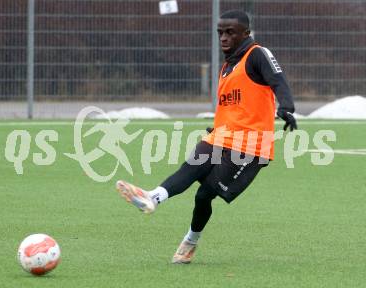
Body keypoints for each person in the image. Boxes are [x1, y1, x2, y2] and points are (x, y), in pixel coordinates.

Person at [116, 10, 297, 264]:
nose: (223, 37)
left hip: (250, 146)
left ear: (245, 33)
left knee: (204, 195)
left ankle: (190, 241)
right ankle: (152, 197)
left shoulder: (257, 54)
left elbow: (278, 80)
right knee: (190, 168)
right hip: (221, 136)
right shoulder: (226, 67)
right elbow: (233, 107)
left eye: (230, 32)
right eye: (220, 32)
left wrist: (286, 107)